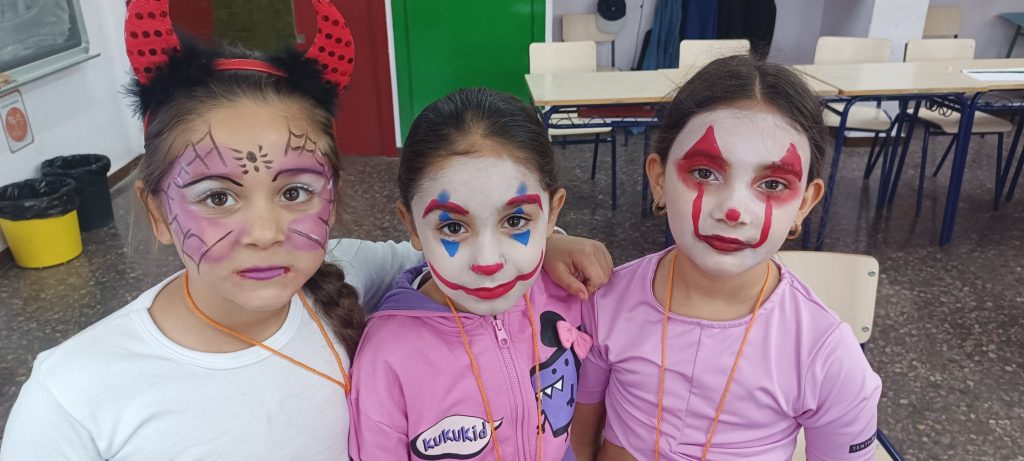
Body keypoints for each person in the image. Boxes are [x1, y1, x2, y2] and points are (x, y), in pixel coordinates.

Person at [0, 3, 611, 459]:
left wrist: (551, 239)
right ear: (157, 211)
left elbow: (457, 242)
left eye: (294, 192)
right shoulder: (72, 396)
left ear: (332, 197)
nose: (265, 232)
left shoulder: (346, 268)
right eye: (218, 196)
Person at [572, 55, 883, 461]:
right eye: (705, 173)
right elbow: (579, 439)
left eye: (773, 184)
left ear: (805, 204)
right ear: (659, 179)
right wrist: (552, 243)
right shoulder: (605, 301)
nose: (733, 210)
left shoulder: (826, 357)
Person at [348, 88, 606, 461]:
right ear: (413, 226)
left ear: (553, 212)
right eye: (453, 227)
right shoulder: (386, 357)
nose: (488, 262)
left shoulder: (572, 294)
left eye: (515, 221)